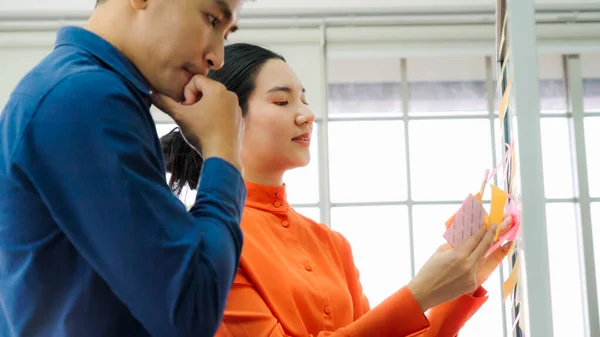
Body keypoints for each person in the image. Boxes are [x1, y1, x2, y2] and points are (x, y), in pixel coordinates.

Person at [161, 42, 514, 337]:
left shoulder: (331, 244)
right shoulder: (208, 239)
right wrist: (419, 294)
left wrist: (464, 280)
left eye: (304, 99)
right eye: (282, 102)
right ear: (228, 116)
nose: (307, 114)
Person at [0, 0, 247, 336]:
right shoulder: (85, 99)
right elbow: (191, 310)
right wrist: (224, 154)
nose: (218, 57)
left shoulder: (80, 90)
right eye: (212, 19)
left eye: (226, 34)